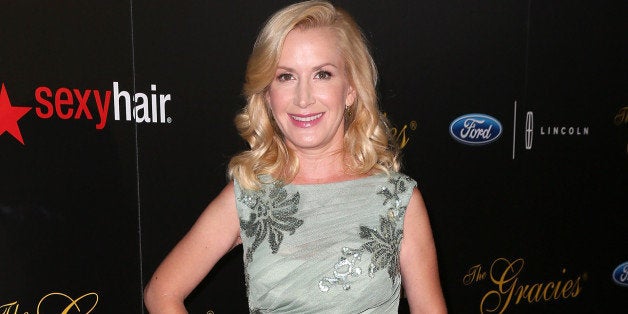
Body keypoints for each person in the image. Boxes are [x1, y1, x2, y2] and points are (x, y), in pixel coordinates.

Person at [143, 1, 447, 313]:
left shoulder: (398, 201)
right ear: (267, 94)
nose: (303, 98)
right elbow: (162, 292)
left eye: (322, 74)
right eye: (286, 76)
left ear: (351, 89)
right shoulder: (251, 197)